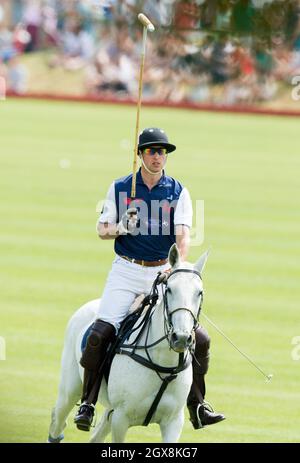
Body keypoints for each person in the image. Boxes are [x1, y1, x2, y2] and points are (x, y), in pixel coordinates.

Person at [74, 127, 225, 431]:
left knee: (201, 338)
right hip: (126, 271)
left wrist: (176, 266)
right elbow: (101, 229)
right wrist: (122, 226)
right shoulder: (120, 187)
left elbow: (183, 237)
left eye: (162, 152)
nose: (157, 157)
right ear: (140, 155)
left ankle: (197, 405)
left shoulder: (178, 191)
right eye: (151, 151)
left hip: (162, 272)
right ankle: (88, 403)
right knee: (98, 334)